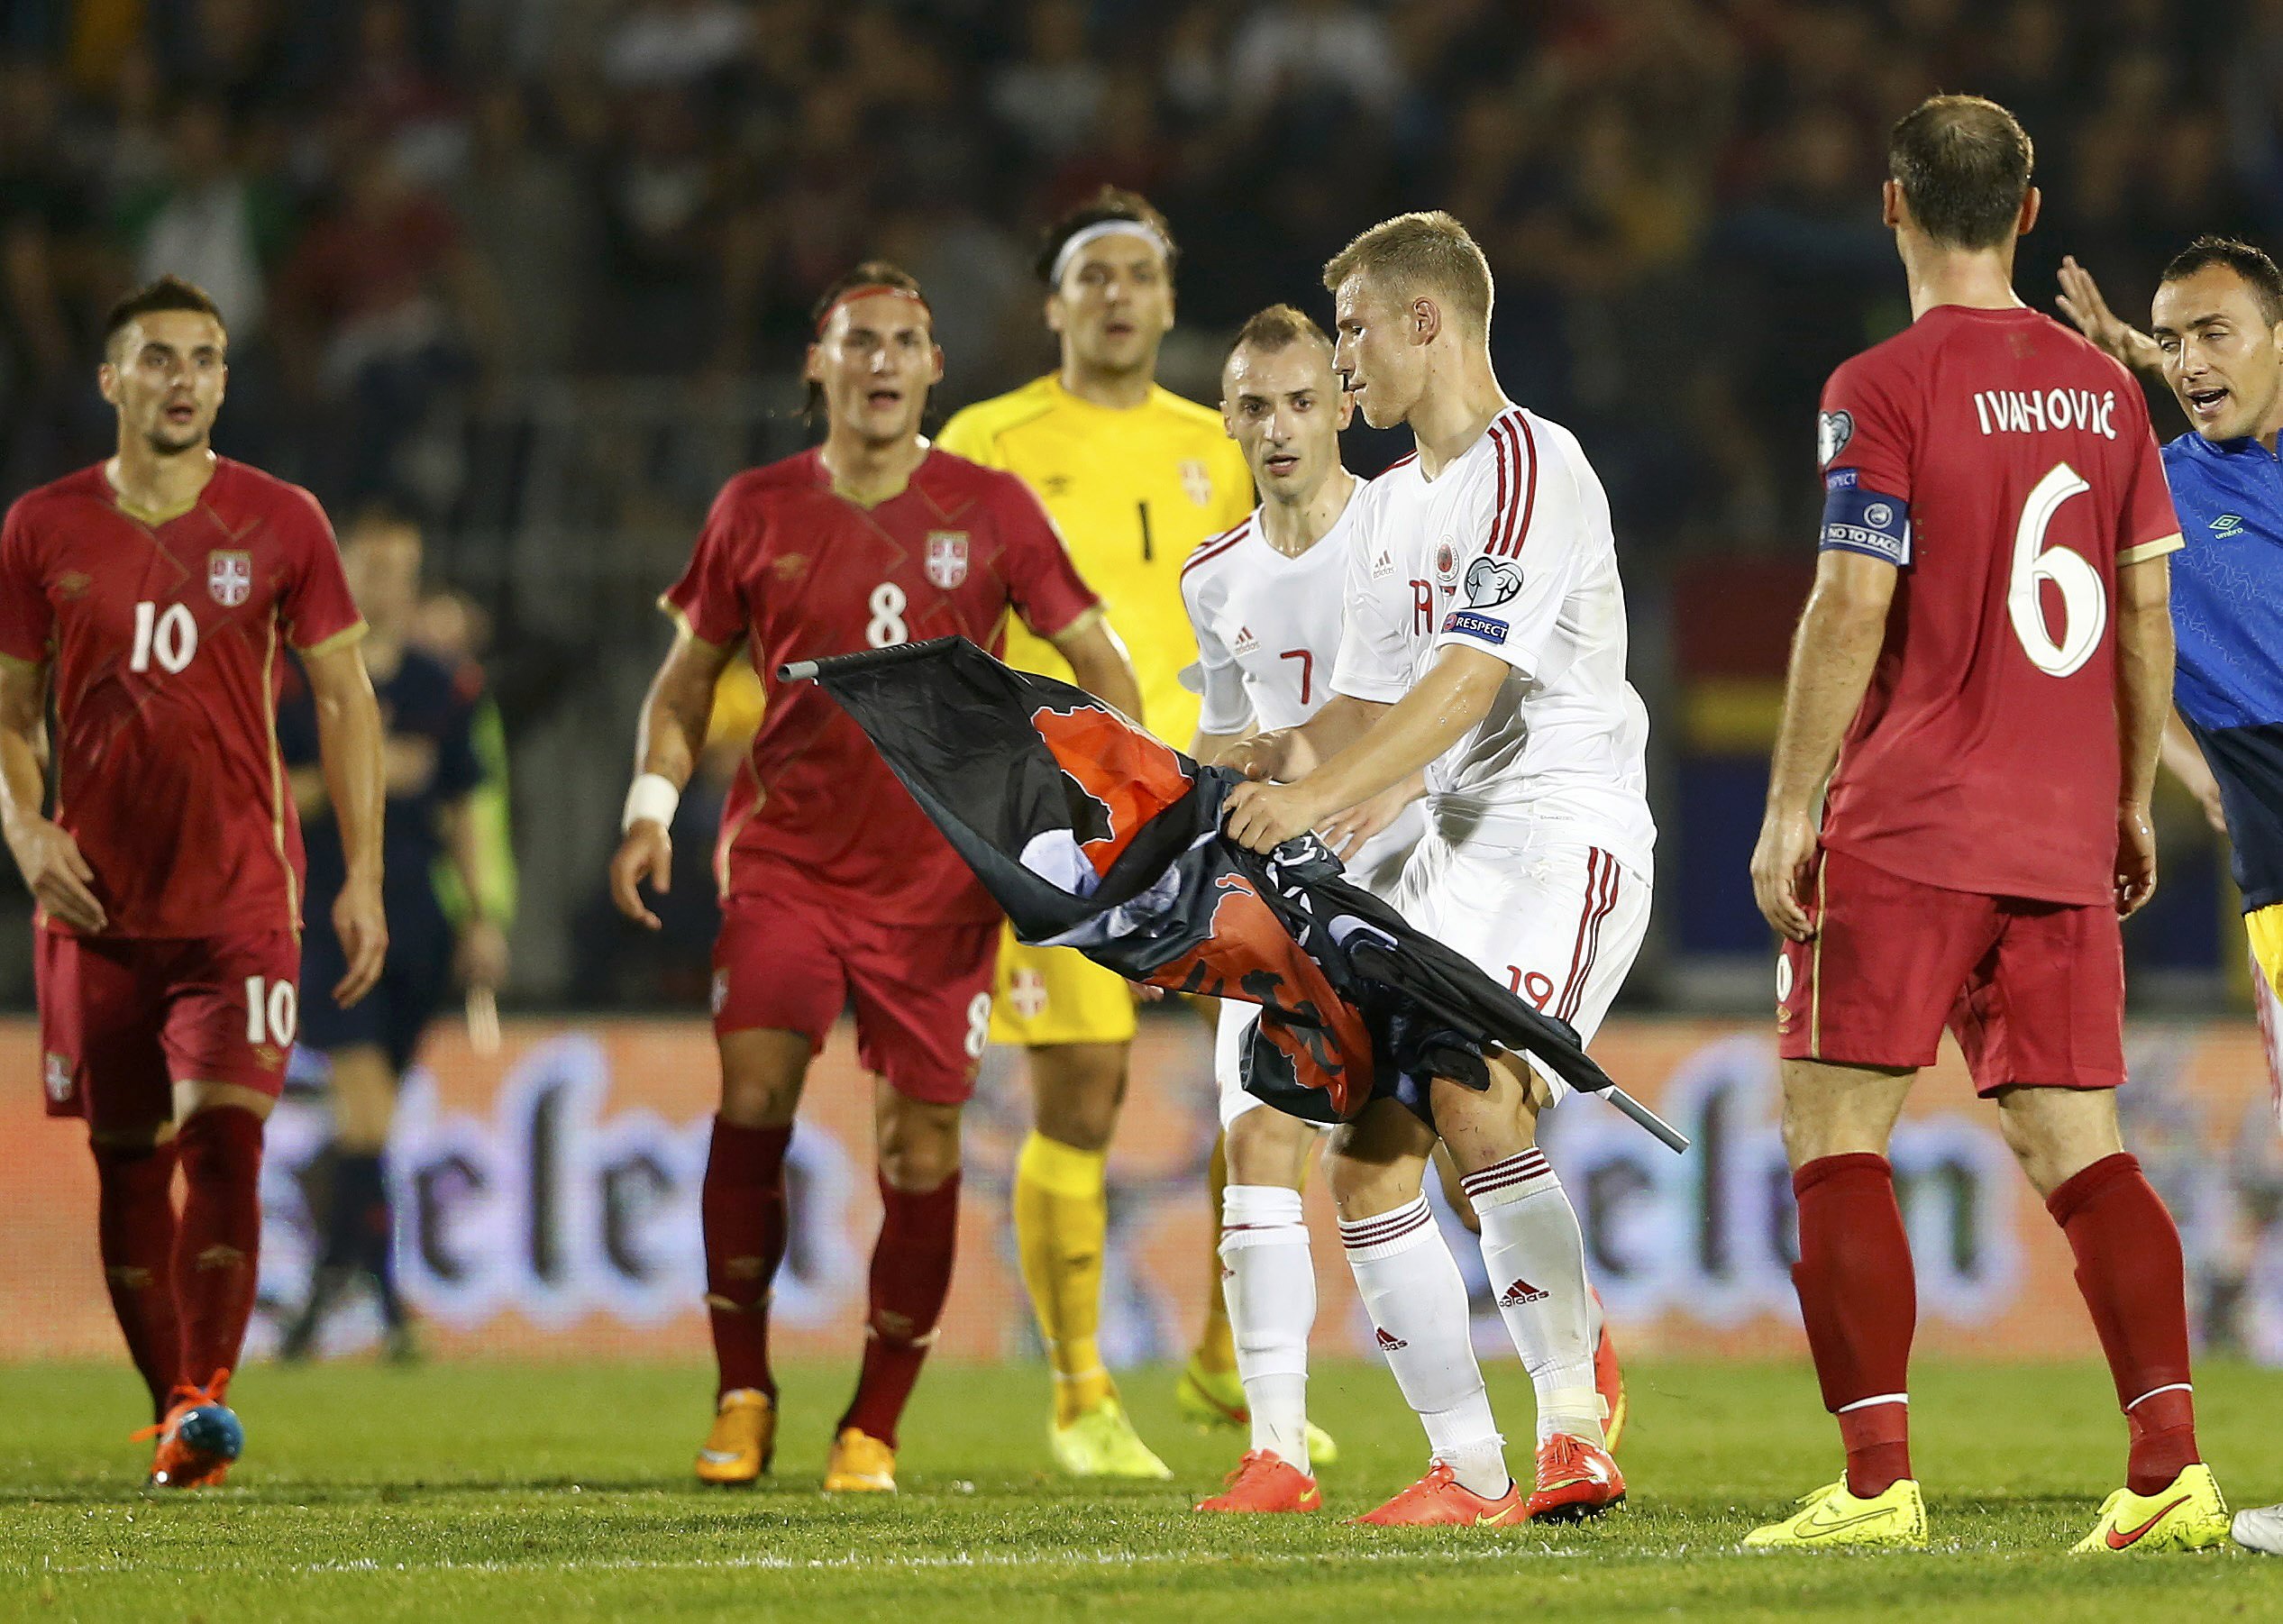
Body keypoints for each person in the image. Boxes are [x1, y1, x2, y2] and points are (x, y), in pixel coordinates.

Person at [1744, 96, 2226, 1554]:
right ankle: (2167, 1471)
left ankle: (1877, 1487)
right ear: (2025, 212)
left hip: (1903, 816)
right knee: (2082, 1146)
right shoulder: (2102, 390)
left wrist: (1785, 806)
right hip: (2059, 821)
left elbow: (1849, 598)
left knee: (1833, 1135)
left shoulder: (1878, 381)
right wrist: (2125, 790)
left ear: (1889, 206)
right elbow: (2144, 610)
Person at [608, 261, 1141, 1494]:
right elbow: (685, 684)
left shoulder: (993, 506)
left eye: (906, 340)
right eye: (860, 342)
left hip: (943, 880)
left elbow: (1099, 659)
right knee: (754, 1088)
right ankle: (742, 1391)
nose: (884, 361)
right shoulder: (754, 507)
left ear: (934, 368)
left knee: (918, 1145)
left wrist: (1107, 824)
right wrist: (649, 808)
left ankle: (874, 1424)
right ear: (821, 364)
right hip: (788, 857)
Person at [1223, 210, 1650, 1528]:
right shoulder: (1392, 508)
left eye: (1352, 327)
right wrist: (1241, 781)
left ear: (1426, 321)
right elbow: (1360, 711)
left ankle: (1574, 1429)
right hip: (1459, 846)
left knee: (1473, 1090)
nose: (1342, 355)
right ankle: (1465, 1465)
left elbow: (1468, 683)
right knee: (1362, 1158)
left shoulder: (1535, 466)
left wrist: (1314, 798)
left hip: (1564, 830)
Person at [0, 274, 385, 1486]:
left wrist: (362, 870)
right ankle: (172, 1400)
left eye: (204, 359)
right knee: (128, 1157)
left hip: (239, 899)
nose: (183, 379)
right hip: (97, 904)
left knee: (228, 1140)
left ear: (225, 379)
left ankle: (200, 1407)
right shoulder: (40, 528)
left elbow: (344, 698)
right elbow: (7, 714)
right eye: (157, 358)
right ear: (110, 379)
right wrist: (21, 827)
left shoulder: (284, 521)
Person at [936, 187, 1255, 1476]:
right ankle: (1079, 1396)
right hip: (1056, 808)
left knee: (1260, 1072)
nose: (1118, 293)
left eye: (1140, 272)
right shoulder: (986, 437)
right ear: (1055, 302)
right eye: (1093, 274)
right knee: (1080, 1093)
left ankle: (1232, 1361)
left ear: (1170, 300)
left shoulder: (1225, 441)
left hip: (1205, 798)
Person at [2053, 236, 2283, 1558]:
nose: (2190, 361)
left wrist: (2143, 363)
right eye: (2170, 338)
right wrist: (2189, 776)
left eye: (2217, 334)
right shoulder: (2161, 494)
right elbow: (2111, 663)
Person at [1181, 305, 1411, 1512]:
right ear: (1228, 417)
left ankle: (1575, 1373)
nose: (1277, 428)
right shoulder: (1213, 578)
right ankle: (1277, 1445)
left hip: (1418, 875)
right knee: (1259, 1137)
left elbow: (1450, 697)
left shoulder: (1400, 526)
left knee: (1464, 1148)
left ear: (1340, 406)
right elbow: (1224, 737)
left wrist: (1346, 774)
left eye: (1301, 402)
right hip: (1281, 896)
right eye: (1254, 406)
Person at [275, 509, 511, 1362]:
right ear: (341, 572)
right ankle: (387, 1309)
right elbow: (268, 794)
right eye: (373, 566)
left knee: (371, 1124)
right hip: (330, 911)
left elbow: (461, 812)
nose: (389, 583)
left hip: (418, 916)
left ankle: (321, 1296)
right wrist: (356, 762)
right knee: (367, 1110)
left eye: (403, 568)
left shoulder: (441, 683)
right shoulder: (299, 681)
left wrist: (482, 917)